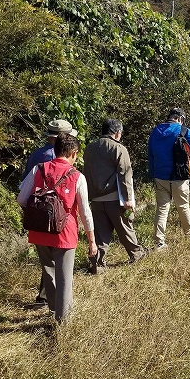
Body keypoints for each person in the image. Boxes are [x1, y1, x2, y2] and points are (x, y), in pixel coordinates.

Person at [18, 132, 96, 322]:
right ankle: (63, 320)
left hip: (39, 230)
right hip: (64, 232)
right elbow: (85, 212)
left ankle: (54, 309)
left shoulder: (39, 169)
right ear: (74, 153)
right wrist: (92, 240)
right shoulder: (77, 176)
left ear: (55, 149)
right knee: (64, 278)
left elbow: (21, 198)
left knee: (49, 271)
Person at [23, 119, 78, 306]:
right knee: (57, 263)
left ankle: (47, 297)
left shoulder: (36, 153)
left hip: (34, 208)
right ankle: (54, 301)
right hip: (54, 215)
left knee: (46, 259)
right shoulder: (51, 158)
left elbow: (25, 187)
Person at [82, 119, 146, 274]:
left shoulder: (89, 148)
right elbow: (125, 174)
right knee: (125, 229)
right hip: (115, 198)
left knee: (100, 234)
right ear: (117, 132)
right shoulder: (118, 148)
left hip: (96, 199)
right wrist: (129, 199)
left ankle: (97, 264)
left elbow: (86, 173)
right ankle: (137, 255)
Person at [147, 108, 190, 249]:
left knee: (162, 208)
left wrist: (154, 174)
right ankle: (189, 233)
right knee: (183, 206)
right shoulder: (184, 131)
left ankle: (159, 242)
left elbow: (150, 155)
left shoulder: (155, 131)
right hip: (180, 176)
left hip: (160, 176)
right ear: (180, 119)